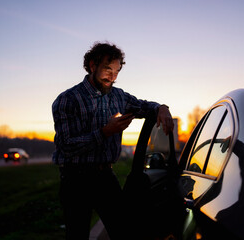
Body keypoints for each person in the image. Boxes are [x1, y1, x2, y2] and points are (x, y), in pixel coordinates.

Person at [52, 41, 174, 239]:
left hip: (105, 176)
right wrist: (105, 132)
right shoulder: (68, 99)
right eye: (108, 69)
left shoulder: (119, 96)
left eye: (117, 71)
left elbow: (145, 106)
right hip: (75, 179)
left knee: (124, 231)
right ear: (93, 65)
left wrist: (162, 107)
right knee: (77, 234)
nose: (113, 76)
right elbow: (66, 146)